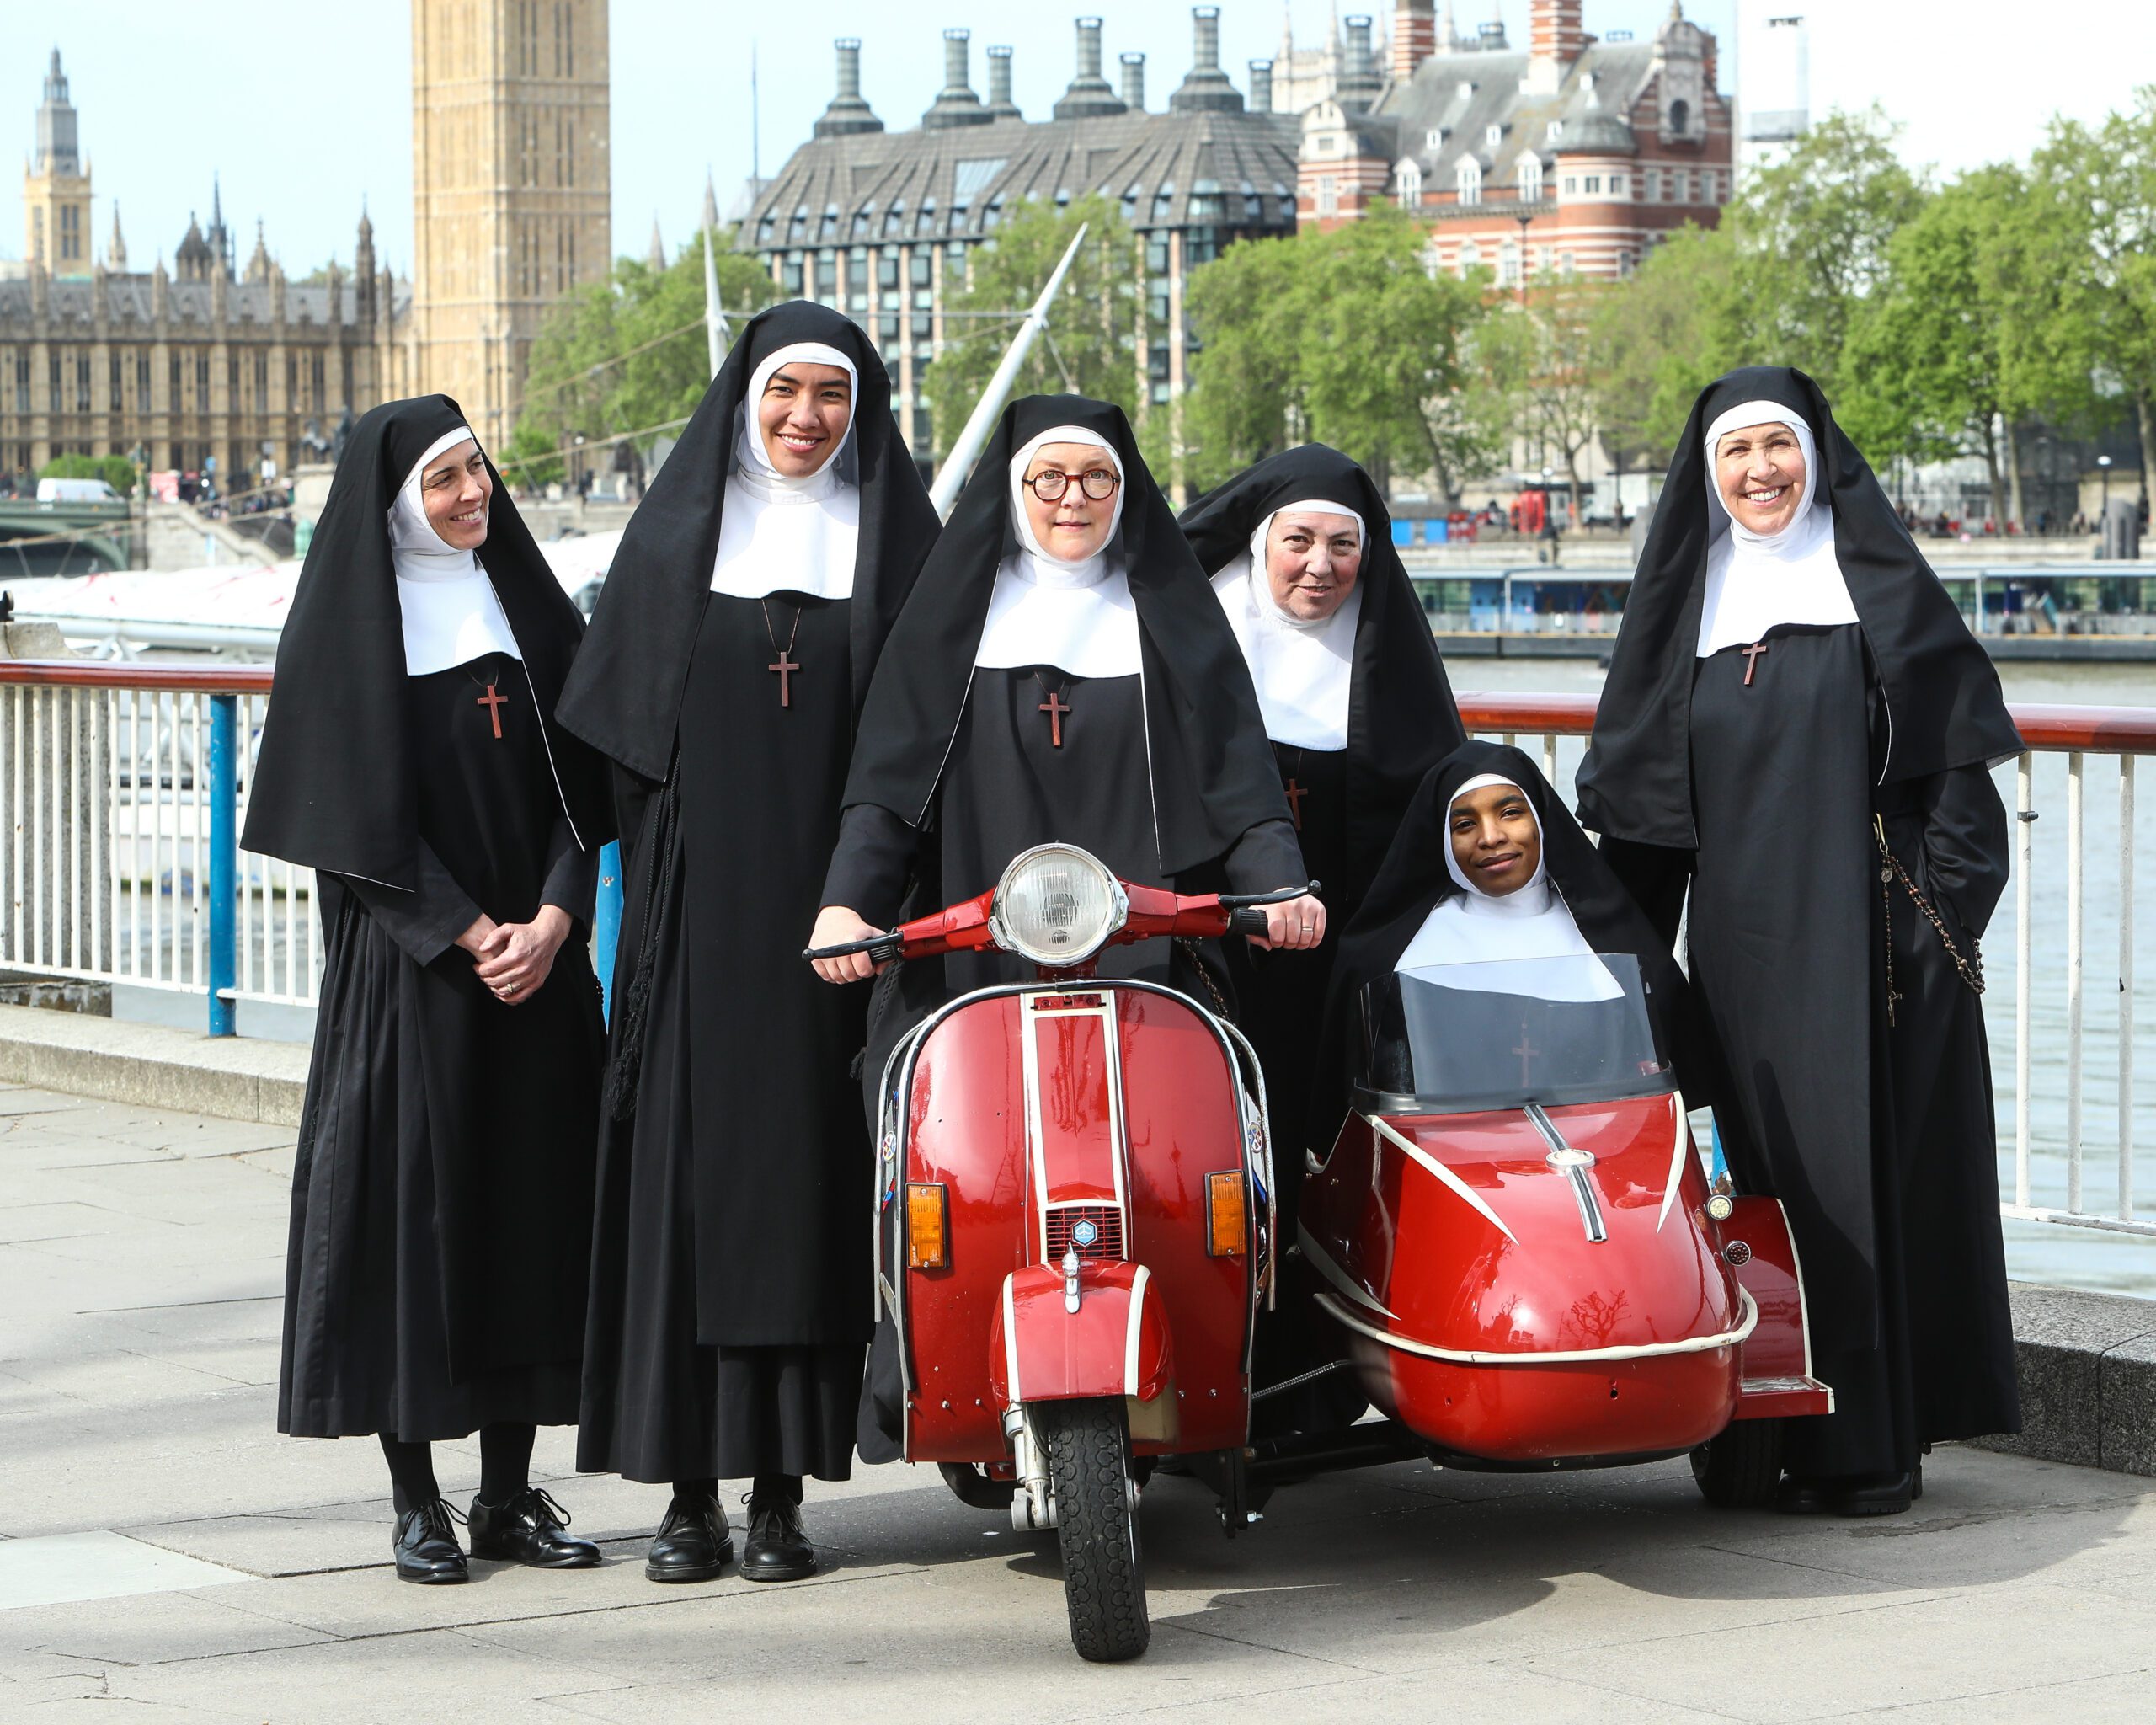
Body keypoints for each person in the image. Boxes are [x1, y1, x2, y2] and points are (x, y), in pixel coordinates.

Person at [808, 396, 1323, 1451]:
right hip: (971, 953)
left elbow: (1242, 784)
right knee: (919, 1137)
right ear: (1013, 490)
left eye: (1095, 478)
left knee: (1195, 1148)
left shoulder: (1169, 620)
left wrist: (1281, 884)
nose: (1072, 499)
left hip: (1145, 948)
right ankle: (924, 1358)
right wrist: (846, 903)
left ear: (1126, 492)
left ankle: (1209, 1362)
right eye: (1050, 479)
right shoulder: (951, 620)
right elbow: (886, 791)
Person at [1577, 365, 2023, 1517]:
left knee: (1858, 1186)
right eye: (1736, 454)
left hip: (1867, 956)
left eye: (1777, 447)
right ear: (1707, 474)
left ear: (1815, 459)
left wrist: (1937, 941)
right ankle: (1753, 1438)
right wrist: (1627, 977)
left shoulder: (1876, 595)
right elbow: (1643, 813)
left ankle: (1871, 1450)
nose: (1760, 472)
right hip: (1733, 962)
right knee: (1747, 1194)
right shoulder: (1689, 610)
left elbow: (1959, 791)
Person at [556, 303, 938, 1584]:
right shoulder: (675, 544)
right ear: (744, 401)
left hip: (837, 927)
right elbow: (610, 747)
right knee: (685, 1196)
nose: (806, 418)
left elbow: (934, 738)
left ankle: (781, 1494)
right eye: (786, 393)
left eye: (833, 396)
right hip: (694, 923)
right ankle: (686, 1497)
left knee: (813, 1196)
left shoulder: (898, 548)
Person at [243, 396, 612, 1583]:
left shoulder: (521, 608)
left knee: (535, 1220)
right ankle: (415, 1502)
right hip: (414, 976)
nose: (471, 500)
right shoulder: (354, 629)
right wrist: (464, 930)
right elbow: (348, 820)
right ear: (397, 499)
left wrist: (556, 917)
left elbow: (582, 788)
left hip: (538, 970)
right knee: (414, 1234)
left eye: (478, 475)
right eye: (444, 484)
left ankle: (508, 1496)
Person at [1179, 443, 1465, 1183]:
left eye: (1343, 545)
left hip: (1339, 951)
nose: (1320, 565)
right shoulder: (1193, 645)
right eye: (1298, 541)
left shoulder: (1387, 664)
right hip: (1215, 950)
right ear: (1259, 543)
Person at [1315, 740, 1697, 1152]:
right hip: (1450, 1165)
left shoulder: (1609, 941)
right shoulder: (1389, 957)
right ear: (1442, 842)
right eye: (1464, 825)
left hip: (1593, 1158)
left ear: (1541, 820)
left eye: (1510, 813)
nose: (1491, 837)